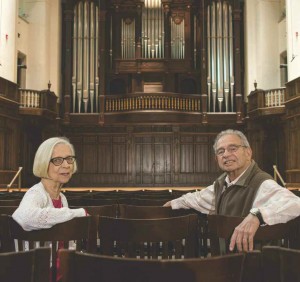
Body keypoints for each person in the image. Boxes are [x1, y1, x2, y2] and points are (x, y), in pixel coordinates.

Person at [164, 129, 300, 252]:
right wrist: (173, 203)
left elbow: (295, 203)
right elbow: (197, 198)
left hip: (252, 268)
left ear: (248, 152)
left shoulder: (262, 183)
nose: (226, 155)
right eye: (220, 151)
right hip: (225, 263)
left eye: (233, 148)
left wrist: (257, 215)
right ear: (216, 158)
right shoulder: (221, 184)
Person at [12, 137, 87, 231]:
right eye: (57, 160)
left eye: (69, 158)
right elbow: (25, 217)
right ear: (43, 163)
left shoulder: (62, 198)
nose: (67, 165)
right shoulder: (36, 193)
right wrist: (78, 213)